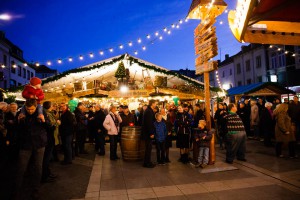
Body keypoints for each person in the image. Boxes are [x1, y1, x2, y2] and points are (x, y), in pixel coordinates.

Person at [12, 99, 51, 200]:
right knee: (21, 168)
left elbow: (50, 126)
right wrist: (18, 121)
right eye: (28, 109)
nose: (30, 111)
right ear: (25, 107)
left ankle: (36, 190)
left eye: (32, 109)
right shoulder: (21, 113)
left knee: (38, 168)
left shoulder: (42, 112)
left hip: (39, 144)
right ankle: (17, 191)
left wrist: (44, 120)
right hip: (25, 145)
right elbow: (15, 128)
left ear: (36, 106)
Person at [41, 101, 58, 183]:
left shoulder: (48, 113)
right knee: (46, 158)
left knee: (47, 158)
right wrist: (55, 124)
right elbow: (50, 126)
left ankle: (47, 173)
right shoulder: (45, 114)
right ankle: (45, 175)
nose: (53, 106)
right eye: (52, 105)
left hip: (49, 137)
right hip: (48, 138)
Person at [141, 99, 157, 168]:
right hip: (147, 133)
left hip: (147, 133)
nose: (156, 105)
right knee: (148, 148)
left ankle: (147, 162)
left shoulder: (148, 110)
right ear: (152, 103)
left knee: (148, 148)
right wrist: (151, 133)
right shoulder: (149, 111)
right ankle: (147, 163)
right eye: (155, 103)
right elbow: (149, 123)